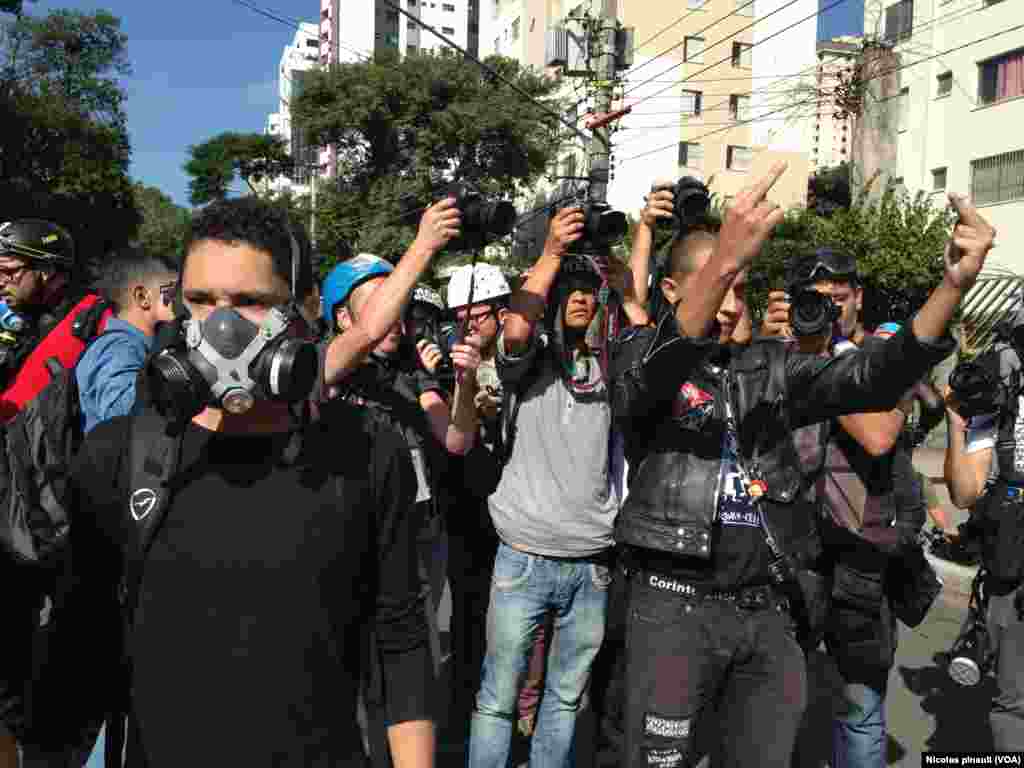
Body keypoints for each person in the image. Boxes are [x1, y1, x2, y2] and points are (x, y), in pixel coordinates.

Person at [611, 164, 992, 768]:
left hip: (769, 612)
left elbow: (872, 376)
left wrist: (949, 287)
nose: (733, 303)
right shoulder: (640, 355)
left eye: (741, 287)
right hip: (673, 609)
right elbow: (649, 376)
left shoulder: (771, 366)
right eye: (719, 284)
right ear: (672, 292)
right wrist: (725, 258)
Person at [59, 196, 435, 767]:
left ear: (301, 312)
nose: (222, 327)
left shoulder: (365, 446)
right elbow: (68, 667)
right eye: (201, 301)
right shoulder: (119, 456)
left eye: (251, 303)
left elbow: (402, 640)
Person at [467, 206, 628, 768]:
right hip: (524, 558)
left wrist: (627, 266)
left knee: (563, 700)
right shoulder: (528, 363)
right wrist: (553, 254)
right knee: (497, 701)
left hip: (591, 563)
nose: (581, 298)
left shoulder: (616, 368)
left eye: (590, 291)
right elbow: (514, 326)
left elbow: (647, 325)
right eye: (570, 291)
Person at [762, 248, 932, 768]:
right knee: (774, 703)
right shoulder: (783, 349)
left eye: (837, 300)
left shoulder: (885, 352)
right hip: (788, 554)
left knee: (858, 707)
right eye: (815, 303)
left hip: (861, 561)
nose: (828, 311)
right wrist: (769, 345)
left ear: (857, 297)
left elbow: (880, 435)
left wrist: (825, 347)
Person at [319, 253, 480, 768]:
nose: (399, 323)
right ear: (344, 318)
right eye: (384, 308)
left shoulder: (412, 373)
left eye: (403, 310)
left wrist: (466, 383)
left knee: (422, 671)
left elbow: (456, 438)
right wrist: (427, 241)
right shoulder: (326, 367)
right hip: (355, 549)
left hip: (420, 546)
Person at [944, 305, 1024, 751]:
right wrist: (959, 426)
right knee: (1014, 705)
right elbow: (966, 492)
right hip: (1012, 559)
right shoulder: (1001, 388)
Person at [76, 247, 178, 434]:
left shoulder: (134, 344)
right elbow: (119, 416)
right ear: (142, 297)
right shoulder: (119, 347)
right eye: (173, 292)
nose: (181, 301)